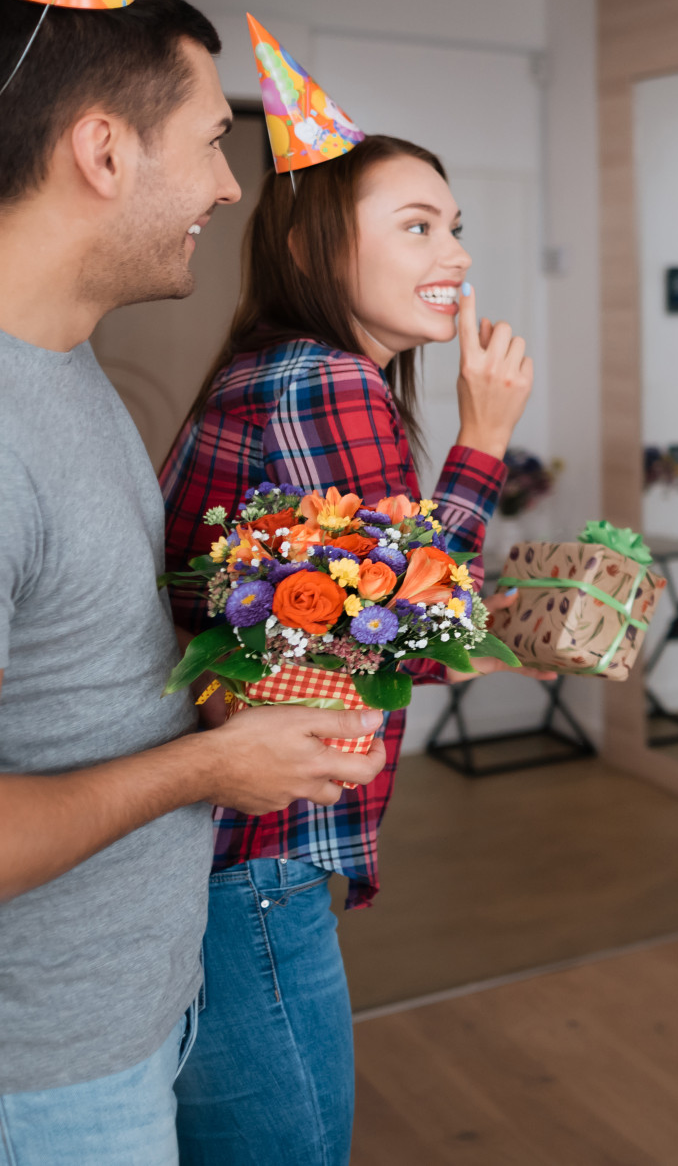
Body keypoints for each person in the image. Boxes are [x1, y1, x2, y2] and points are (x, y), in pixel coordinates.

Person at [0, 0, 387, 1163]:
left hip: (112, 1031)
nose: (231, 187)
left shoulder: (50, 366)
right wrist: (209, 766)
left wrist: (217, 682)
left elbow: (52, 665)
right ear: (103, 151)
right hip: (16, 1088)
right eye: (212, 142)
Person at [158, 105, 533, 1164]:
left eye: (454, 227)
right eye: (417, 226)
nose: (454, 255)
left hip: (218, 851)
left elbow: (350, 609)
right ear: (307, 246)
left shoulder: (270, 367)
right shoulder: (327, 378)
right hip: (253, 861)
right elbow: (402, 632)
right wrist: (485, 440)